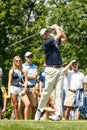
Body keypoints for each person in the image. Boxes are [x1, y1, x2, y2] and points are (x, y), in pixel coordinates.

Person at [35, 24, 67, 121]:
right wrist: (56, 28)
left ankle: (58, 114)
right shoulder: (46, 42)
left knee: (59, 93)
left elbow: (64, 38)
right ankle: (39, 111)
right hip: (51, 70)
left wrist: (59, 28)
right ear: (42, 36)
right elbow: (58, 35)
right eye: (45, 33)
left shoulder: (54, 40)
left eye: (47, 32)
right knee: (46, 92)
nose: (47, 33)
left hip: (60, 69)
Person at [8, 56, 30, 120]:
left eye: (19, 60)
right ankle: (17, 120)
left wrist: (25, 89)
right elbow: (9, 82)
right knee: (15, 105)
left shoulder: (24, 70)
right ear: (14, 62)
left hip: (21, 89)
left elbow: (26, 80)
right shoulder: (11, 71)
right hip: (14, 88)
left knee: (28, 104)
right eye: (17, 61)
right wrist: (9, 92)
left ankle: (26, 120)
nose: (18, 62)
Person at [23, 52, 38, 119]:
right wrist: (30, 76)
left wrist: (27, 76)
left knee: (34, 105)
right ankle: (23, 119)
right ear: (25, 58)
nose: (30, 58)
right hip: (24, 88)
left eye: (31, 56)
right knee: (24, 105)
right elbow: (22, 76)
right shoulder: (22, 66)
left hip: (32, 87)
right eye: (28, 57)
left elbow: (35, 76)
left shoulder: (35, 66)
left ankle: (34, 119)